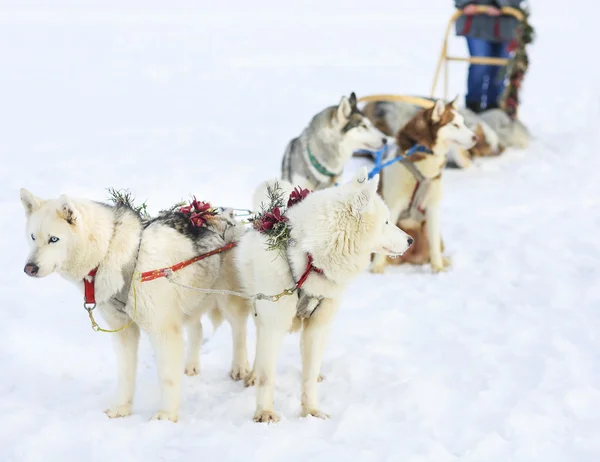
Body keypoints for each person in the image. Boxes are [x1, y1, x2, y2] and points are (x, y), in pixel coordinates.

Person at [454, 0, 523, 113]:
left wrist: (501, 4)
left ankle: (495, 106)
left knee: (500, 68)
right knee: (480, 63)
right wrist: (465, 3)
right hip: (476, 21)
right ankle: (473, 106)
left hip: (506, 23)